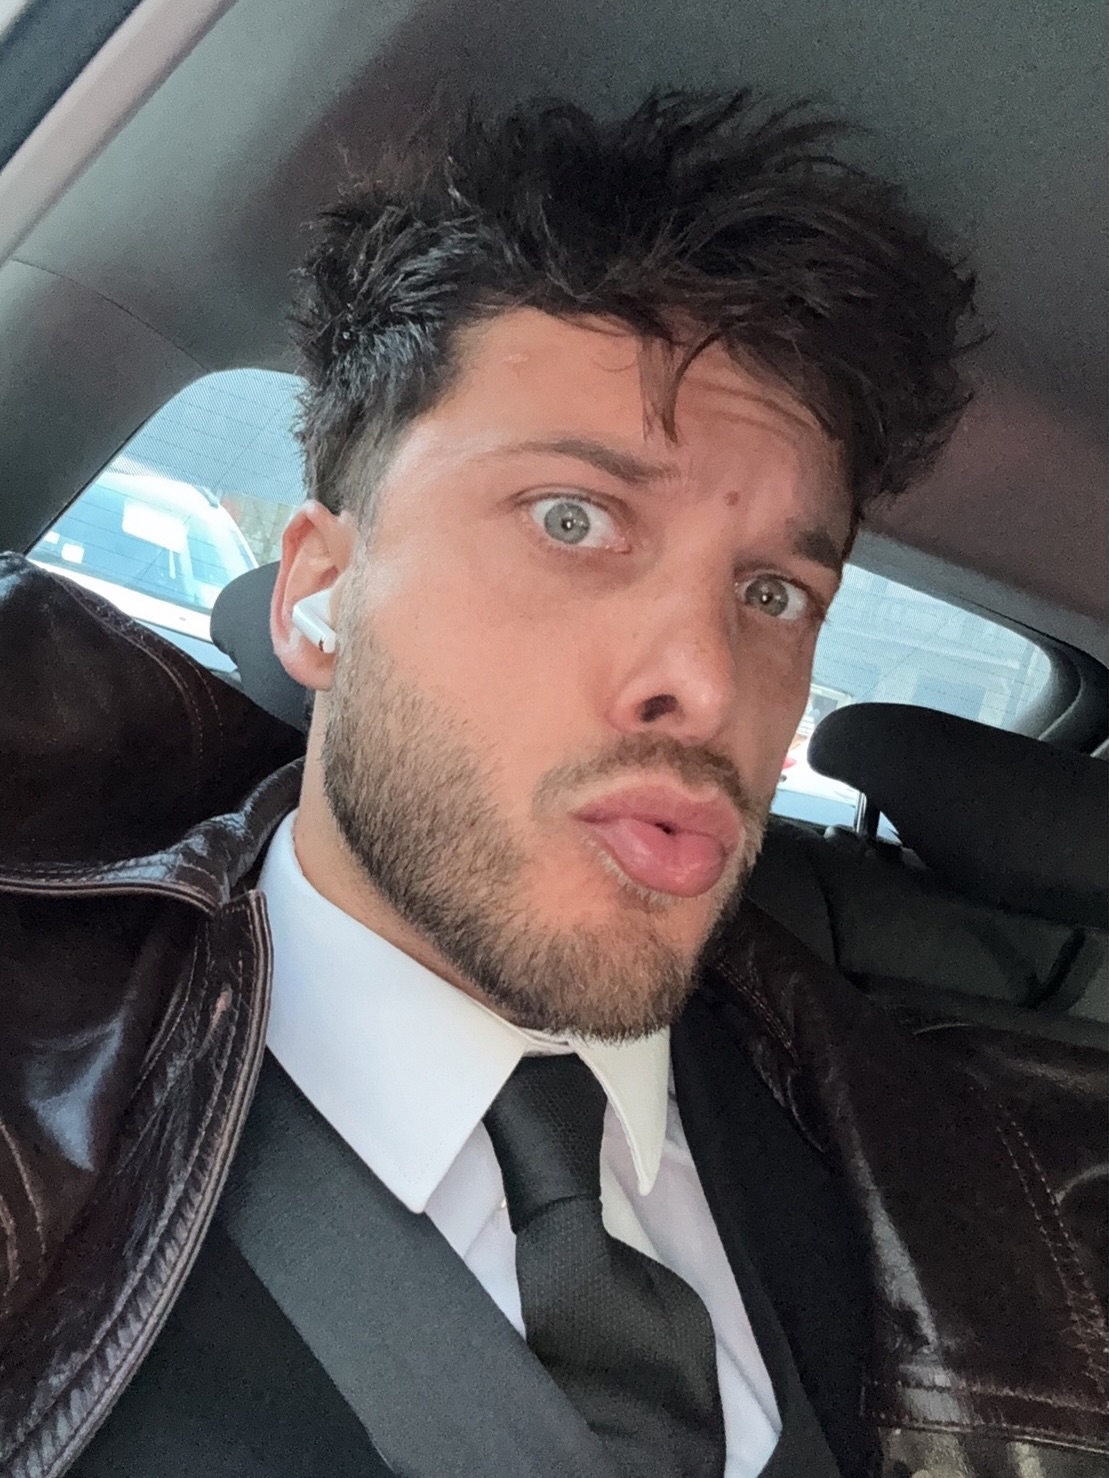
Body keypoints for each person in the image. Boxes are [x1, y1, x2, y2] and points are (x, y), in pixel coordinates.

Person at [0, 92, 1104, 1478]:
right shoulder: (36, 1102)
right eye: (574, 519)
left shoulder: (986, 1191)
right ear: (319, 594)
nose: (708, 682)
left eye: (773, 592)